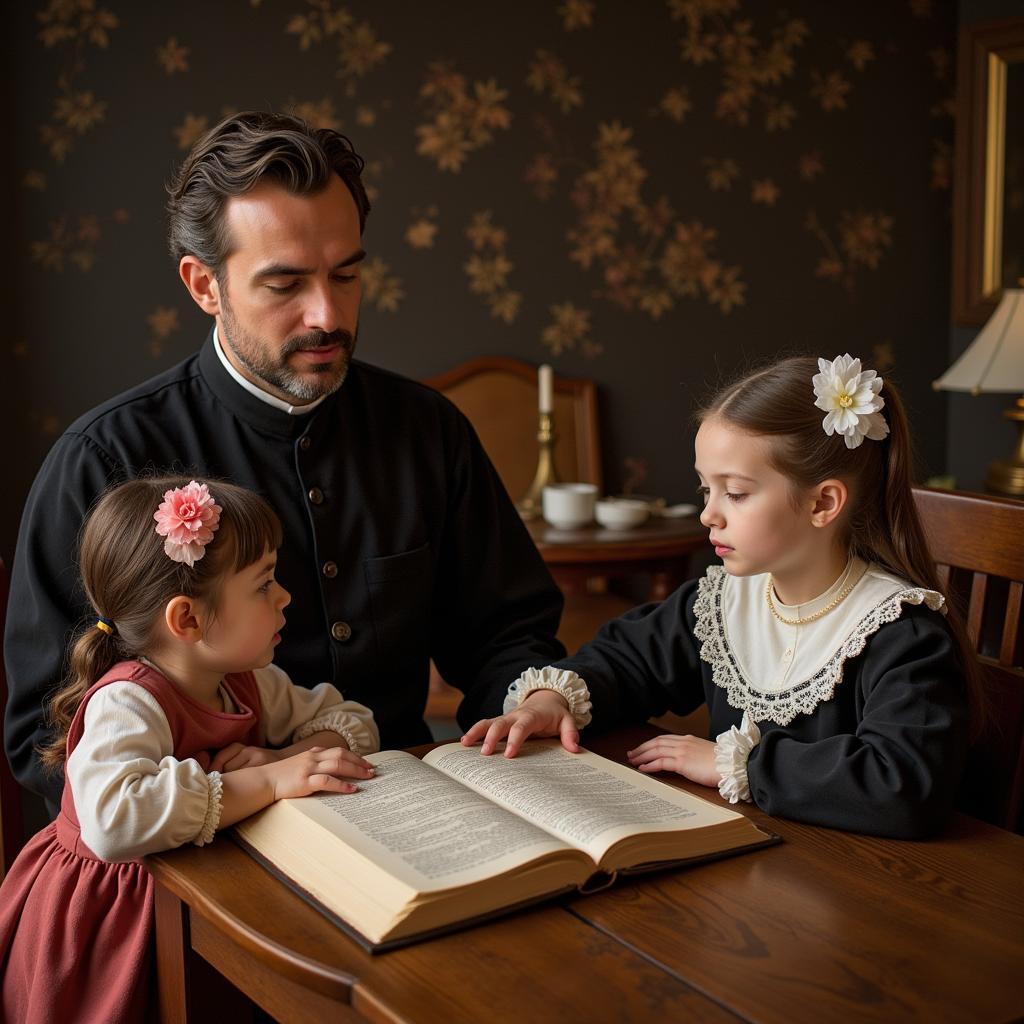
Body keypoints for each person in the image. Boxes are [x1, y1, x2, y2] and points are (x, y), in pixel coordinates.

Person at [5, 110, 564, 812]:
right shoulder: (101, 461)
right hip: (205, 861)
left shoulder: (429, 430)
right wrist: (259, 779)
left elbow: (505, 635)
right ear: (204, 285)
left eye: (347, 274)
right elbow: (44, 738)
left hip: (417, 809)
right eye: (285, 284)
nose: (327, 314)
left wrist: (531, 699)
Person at [463, 354, 978, 839]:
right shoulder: (725, 602)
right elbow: (627, 662)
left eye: (735, 492)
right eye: (705, 489)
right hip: (742, 860)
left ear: (823, 502)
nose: (709, 514)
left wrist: (734, 764)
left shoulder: (900, 631)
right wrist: (554, 699)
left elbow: (905, 785)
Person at [0, 476, 379, 1022]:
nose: (285, 596)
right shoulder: (128, 701)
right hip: (113, 920)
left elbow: (354, 722)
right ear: (189, 619)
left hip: (206, 904)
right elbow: (114, 823)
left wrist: (285, 758)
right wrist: (268, 783)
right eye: (264, 584)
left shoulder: (245, 680)